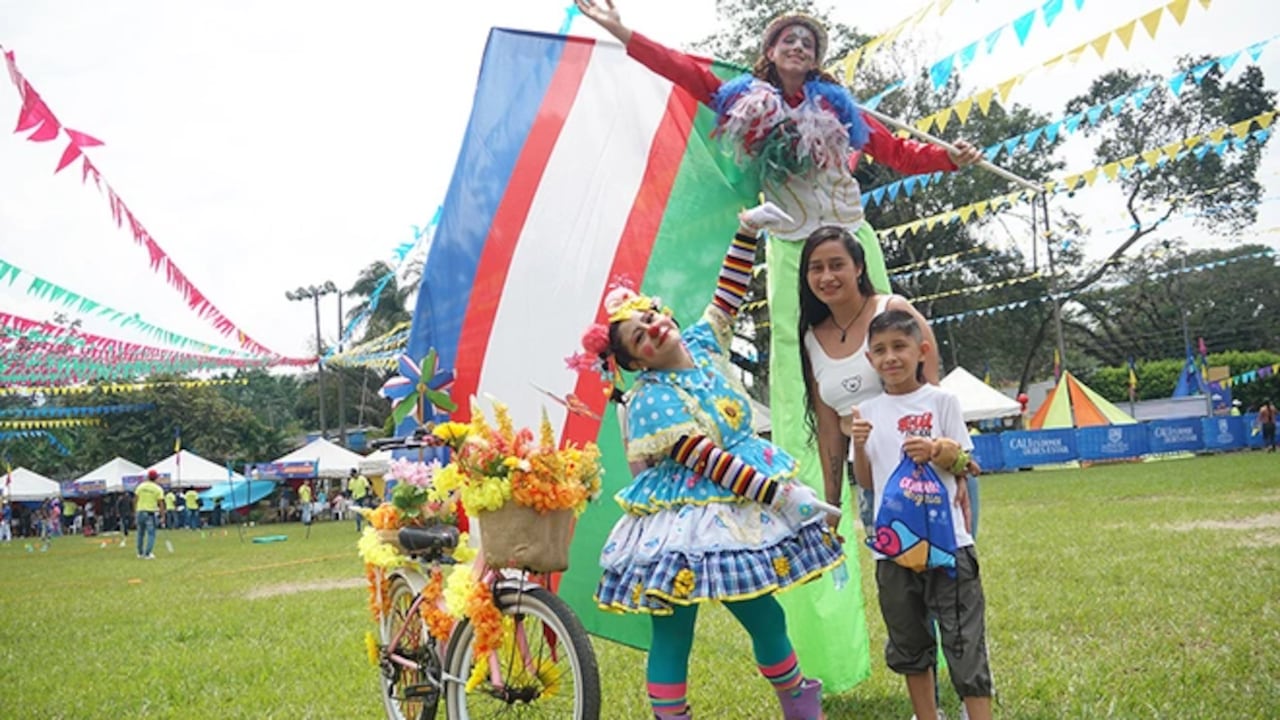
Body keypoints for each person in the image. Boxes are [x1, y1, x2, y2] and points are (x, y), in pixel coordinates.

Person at [572, 203, 843, 720]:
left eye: (649, 317)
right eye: (637, 338)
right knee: (674, 629)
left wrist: (745, 231)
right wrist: (784, 495)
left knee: (764, 612)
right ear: (633, 363)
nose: (651, 329)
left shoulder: (703, 342)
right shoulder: (650, 398)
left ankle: (801, 706)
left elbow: (728, 295)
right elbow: (706, 460)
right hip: (683, 518)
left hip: (739, 502)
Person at [847, 310, 992, 720]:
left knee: (964, 638)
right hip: (893, 550)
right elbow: (868, 483)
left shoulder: (941, 400)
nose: (890, 357)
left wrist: (938, 450)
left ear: (921, 351)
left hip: (950, 545)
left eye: (899, 347)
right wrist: (858, 445)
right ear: (869, 358)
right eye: (879, 350)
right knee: (909, 641)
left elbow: (967, 464)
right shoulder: (867, 411)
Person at [134, 470, 165, 560]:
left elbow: (135, 499)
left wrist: (135, 511)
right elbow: (160, 503)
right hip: (150, 513)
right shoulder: (158, 489)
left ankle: (140, 553)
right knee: (151, 534)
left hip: (140, 511)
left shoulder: (141, 486)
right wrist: (162, 516)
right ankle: (148, 553)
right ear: (156, 478)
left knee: (140, 533)